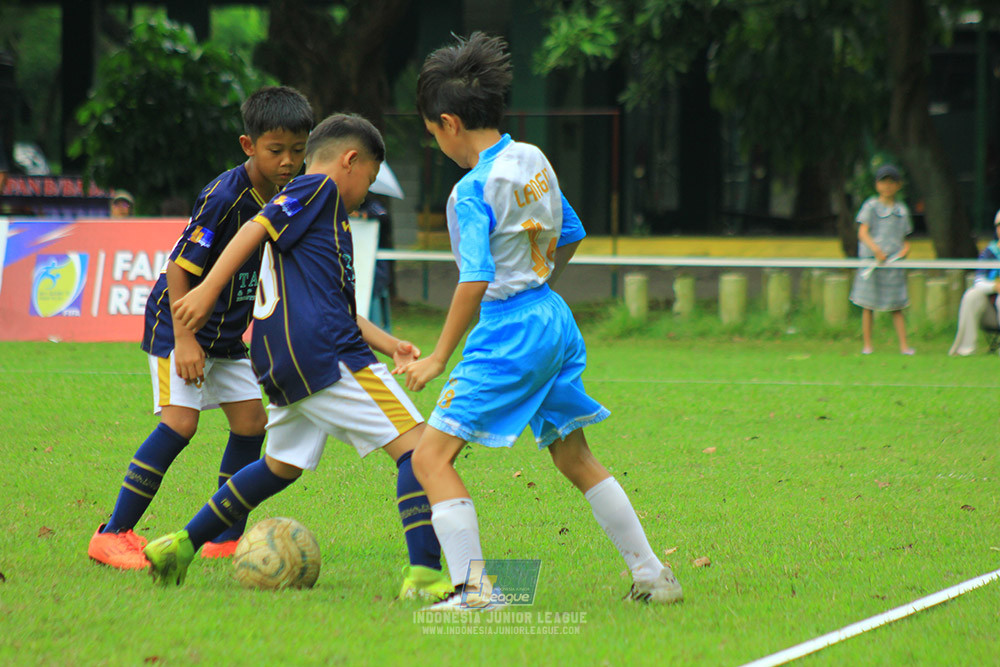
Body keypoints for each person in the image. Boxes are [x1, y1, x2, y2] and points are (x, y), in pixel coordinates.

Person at [399, 32, 683, 611]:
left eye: (433, 135)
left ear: (449, 122)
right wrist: (538, 290)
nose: (438, 147)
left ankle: (475, 594)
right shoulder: (532, 157)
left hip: (510, 329)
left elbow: (474, 279)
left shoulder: (471, 189)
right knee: (572, 455)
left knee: (430, 458)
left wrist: (437, 355)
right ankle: (653, 573)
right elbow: (571, 233)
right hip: (553, 317)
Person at [142, 114, 451, 602]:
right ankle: (427, 575)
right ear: (350, 161)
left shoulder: (318, 215)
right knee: (418, 450)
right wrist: (206, 293)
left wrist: (391, 344)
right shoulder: (318, 191)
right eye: (368, 180)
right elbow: (251, 233)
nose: (365, 194)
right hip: (325, 356)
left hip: (284, 361)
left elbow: (339, 307)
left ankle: (180, 544)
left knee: (280, 465)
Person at [88, 86, 314, 570]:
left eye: (299, 149)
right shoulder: (225, 196)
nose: (289, 161)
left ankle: (225, 536)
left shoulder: (293, 193)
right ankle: (113, 533)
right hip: (178, 327)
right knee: (180, 423)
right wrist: (186, 340)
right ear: (248, 145)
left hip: (227, 337)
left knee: (252, 422)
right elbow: (178, 269)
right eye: (277, 151)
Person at [849, 164, 914, 355]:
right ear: (877, 185)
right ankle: (867, 346)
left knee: (897, 306)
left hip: (893, 265)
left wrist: (904, 251)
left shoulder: (902, 210)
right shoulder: (870, 206)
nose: (887, 186)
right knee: (868, 305)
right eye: (883, 182)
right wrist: (876, 250)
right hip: (872, 263)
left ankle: (904, 346)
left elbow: (906, 241)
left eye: (891, 182)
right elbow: (863, 232)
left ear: (898, 185)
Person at [949, 209, 1000, 356]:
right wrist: (995, 286)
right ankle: (966, 350)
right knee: (971, 295)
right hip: (990, 312)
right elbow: (979, 282)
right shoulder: (989, 253)